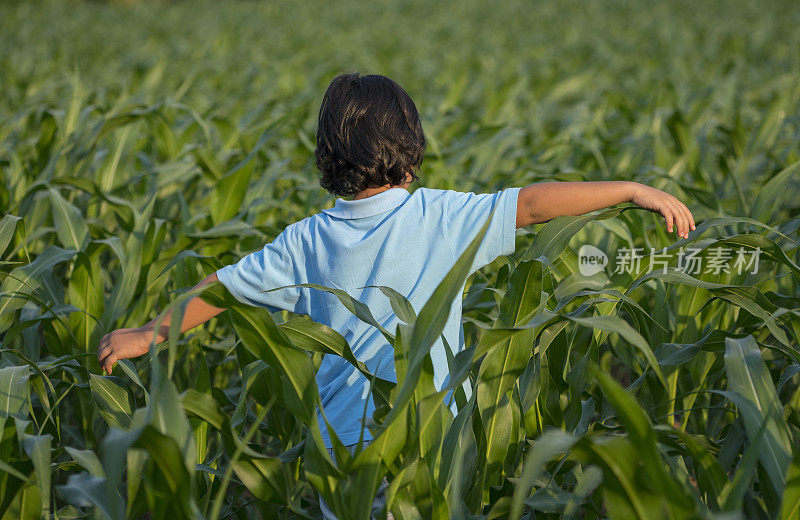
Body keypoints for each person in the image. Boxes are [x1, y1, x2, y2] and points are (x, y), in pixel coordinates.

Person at [97, 73, 695, 519]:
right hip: (431, 447)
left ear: (329, 158)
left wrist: (150, 333)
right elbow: (534, 203)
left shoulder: (304, 241)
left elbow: (220, 289)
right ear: (409, 153)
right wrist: (631, 189)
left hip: (343, 458)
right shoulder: (442, 217)